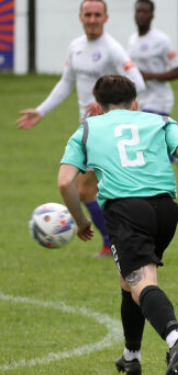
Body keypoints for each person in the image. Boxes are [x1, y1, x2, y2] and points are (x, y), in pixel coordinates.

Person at [58, 74, 178, 375]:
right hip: (166, 211)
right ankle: (131, 356)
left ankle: (176, 338)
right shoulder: (160, 121)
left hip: (127, 211)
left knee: (140, 283)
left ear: (98, 108)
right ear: (136, 104)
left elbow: (65, 182)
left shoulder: (88, 128)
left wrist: (81, 220)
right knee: (129, 282)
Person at [16, 0, 145, 257]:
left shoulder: (113, 49)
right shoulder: (76, 47)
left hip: (108, 130)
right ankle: (115, 241)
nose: (93, 19)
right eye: (88, 14)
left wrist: (106, 104)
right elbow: (66, 83)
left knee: (85, 188)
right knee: (92, 189)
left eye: (98, 14)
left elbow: (138, 83)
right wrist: (41, 111)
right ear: (81, 17)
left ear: (106, 18)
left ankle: (114, 242)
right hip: (87, 129)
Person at [128, 0, 178, 186]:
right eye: (138, 11)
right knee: (149, 141)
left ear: (152, 15)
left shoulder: (161, 40)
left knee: (145, 139)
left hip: (159, 99)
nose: (141, 14)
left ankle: (152, 180)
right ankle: (177, 158)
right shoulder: (132, 40)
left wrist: (151, 76)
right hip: (140, 99)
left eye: (145, 12)